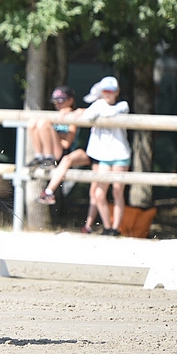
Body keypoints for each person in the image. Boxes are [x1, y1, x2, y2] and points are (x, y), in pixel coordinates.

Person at [77, 76, 131, 235]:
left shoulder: (122, 105)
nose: (108, 94)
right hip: (104, 156)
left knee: (117, 192)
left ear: (117, 92)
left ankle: (116, 228)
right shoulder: (98, 105)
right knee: (98, 193)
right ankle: (108, 227)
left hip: (120, 153)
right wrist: (95, 109)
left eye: (111, 91)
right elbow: (87, 116)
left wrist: (97, 109)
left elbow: (111, 112)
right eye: (105, 91)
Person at [26, 85, 78, 167]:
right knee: (32, 123)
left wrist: (51, 134)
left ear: (70, 100)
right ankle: (39, 156)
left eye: (61, 101)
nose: (57, 105)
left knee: (43, 123)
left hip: (63, 153)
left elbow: (66, 144)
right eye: (55, 102)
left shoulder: (74, 116)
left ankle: (49, 158)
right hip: (49, 147)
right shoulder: (55, 116)